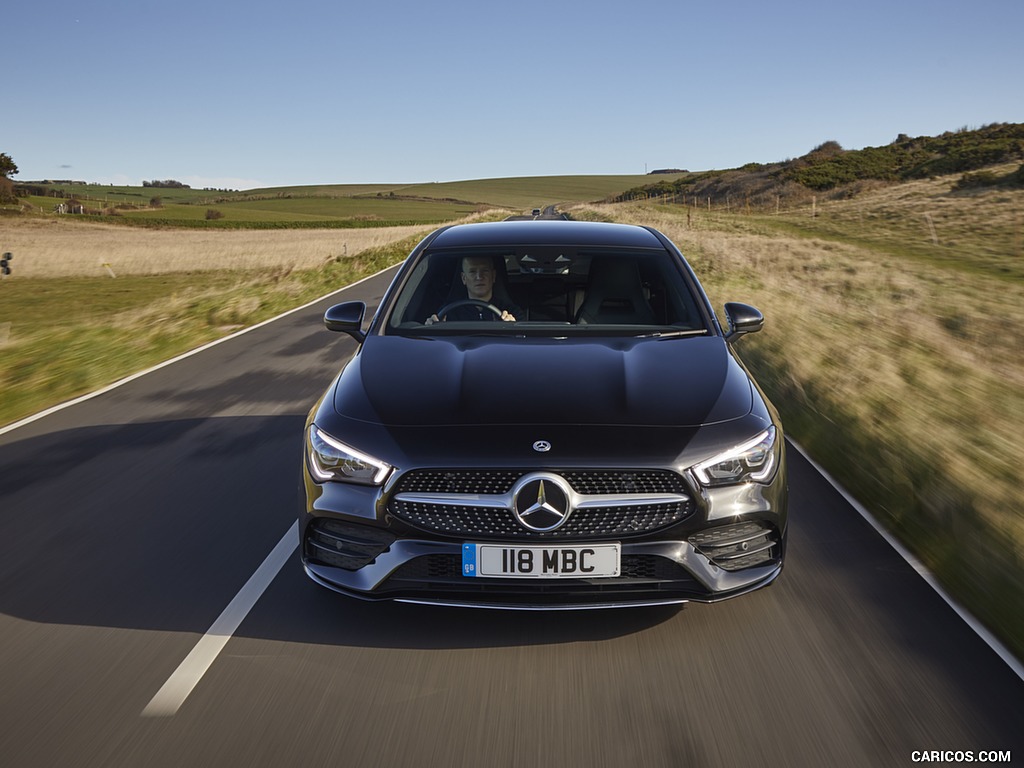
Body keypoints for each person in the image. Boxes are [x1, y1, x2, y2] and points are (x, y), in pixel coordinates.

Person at [426, 255, 520, 324]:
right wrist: (431, 327)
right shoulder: (448, 313)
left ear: (493, 276)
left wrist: (514, 327)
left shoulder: (511, 312)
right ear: (464, 278)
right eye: (472, 272)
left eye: (484, 270)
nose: (479, 277)